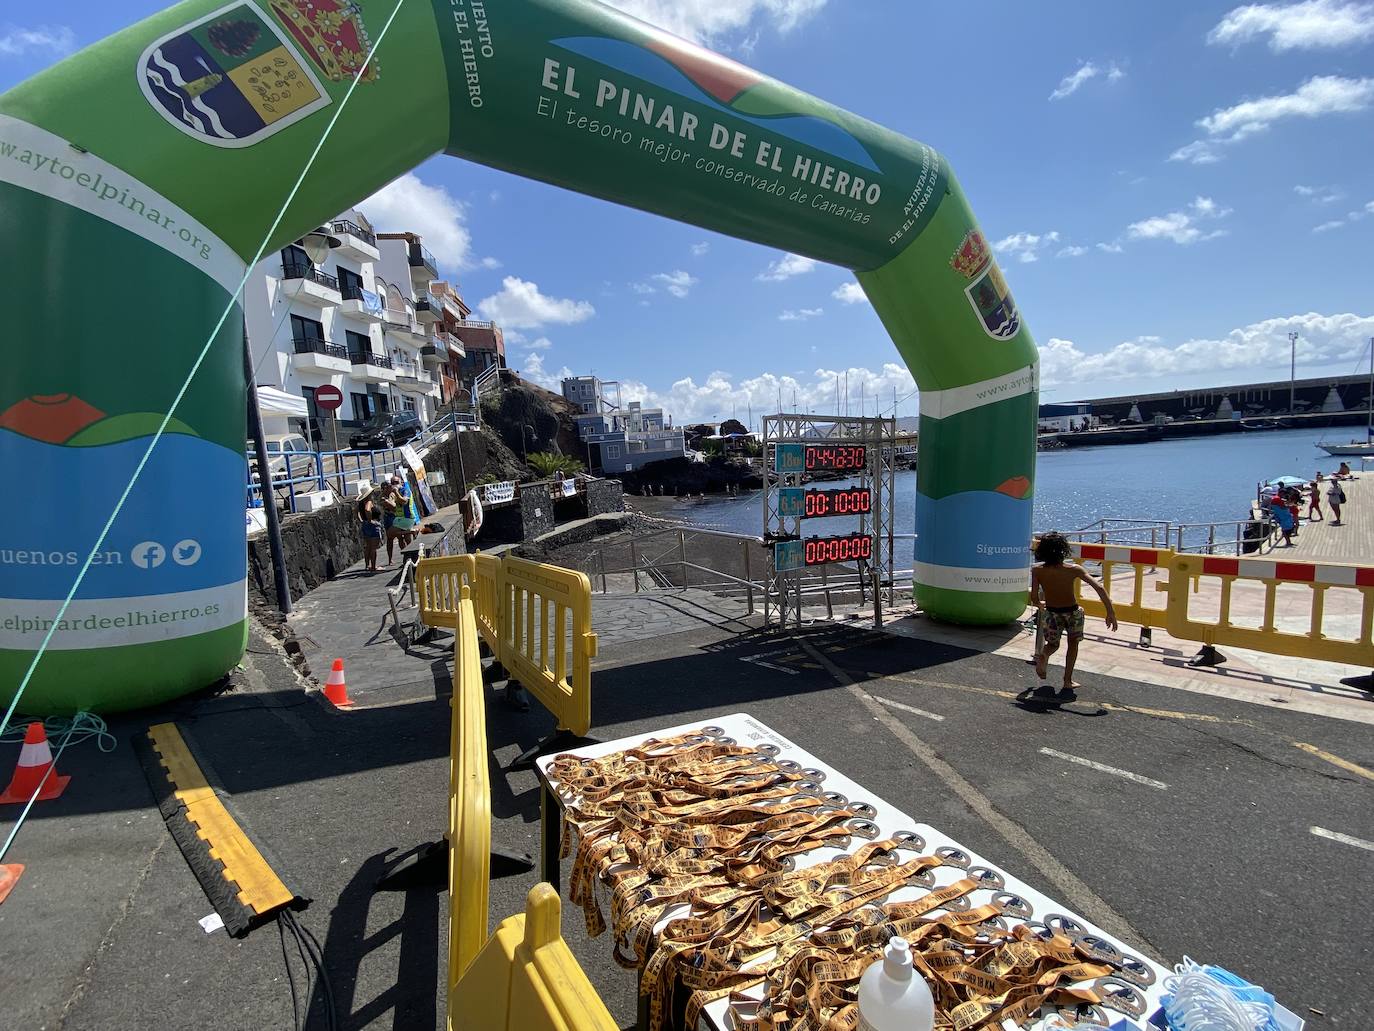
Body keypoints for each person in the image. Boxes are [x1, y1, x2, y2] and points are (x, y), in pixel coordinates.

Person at [1029, 532, 1118, 693]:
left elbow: (1034, 597)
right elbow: (1099, 587)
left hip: (1052, 612)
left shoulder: (1037, 570)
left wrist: (1040, 604)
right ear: (1063, 550)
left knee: (1053, 644)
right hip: (1072, 612)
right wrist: (1110, 612)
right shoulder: (1074, 569)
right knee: (1073, 644)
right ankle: (1067, 680)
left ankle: (1043, 655)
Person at [358, 495, 383, 572]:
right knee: (373, 548)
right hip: (372, 525)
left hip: (365, 524)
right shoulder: (368, 502)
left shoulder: (361, 503)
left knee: (368, 547)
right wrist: (370, 520)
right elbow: (367, 510)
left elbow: (355, 511)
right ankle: (373, 566)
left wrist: (361, 520)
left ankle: (367, 565)